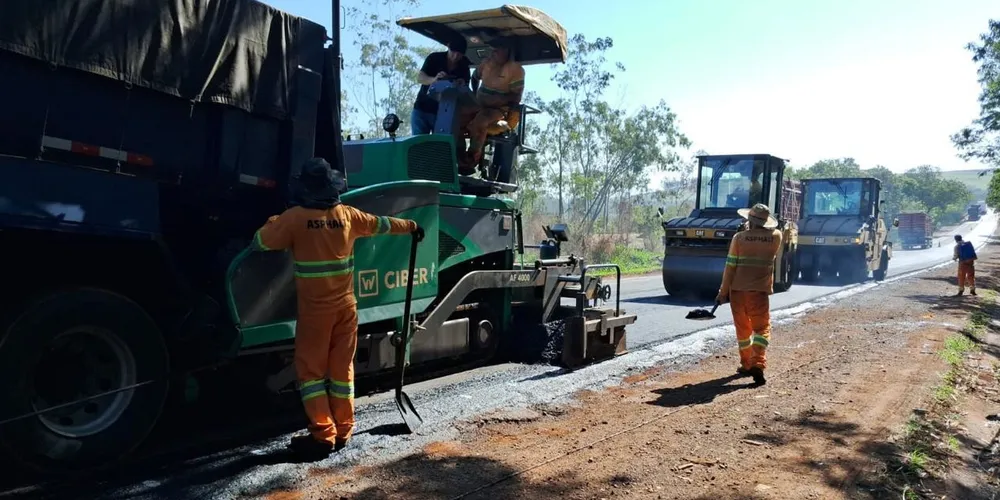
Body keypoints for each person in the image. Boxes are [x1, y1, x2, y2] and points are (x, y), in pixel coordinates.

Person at [251, 158, 424, 457]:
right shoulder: (348, 216)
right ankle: (344, 429)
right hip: (347, 308)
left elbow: (260, 243)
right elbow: (383, 224)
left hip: (316, 313)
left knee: (311, 372)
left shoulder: (294, 219)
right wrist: (412, 226)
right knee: (342, 370)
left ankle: (323, 435)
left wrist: (272, 221)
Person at [716, 203, 783, 387]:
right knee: (762, 329)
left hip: (737, 292)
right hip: (759, 293)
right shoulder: (776, 236)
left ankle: (746, 364)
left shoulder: (739, 238)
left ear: (748, 220)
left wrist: (722, 293)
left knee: (743, 331)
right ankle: (758, 362)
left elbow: (730, 267)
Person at [456, 37, 525, 174]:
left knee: (481, 119)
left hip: (499, 112)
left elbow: (516, 97)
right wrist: (474, 94)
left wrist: (498, 98)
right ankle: (458, 156)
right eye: (493, 48)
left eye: (497, 49)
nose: (493, 51)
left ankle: (471, 161)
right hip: (479, 107)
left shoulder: (516, 70)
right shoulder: (486, 63)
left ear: (507, 51)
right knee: (456, 117)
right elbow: (475, 77)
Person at [411, 37, 471, 135]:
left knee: (440, 146)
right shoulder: (434, 58)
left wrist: (461, 84)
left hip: (445, 114)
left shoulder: (464, 67)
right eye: (453, 52)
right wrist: (434, 80)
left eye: (459, 54)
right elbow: (420, 78)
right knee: (419, 145)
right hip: (422, 110)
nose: (455, 56)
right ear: (448, 47)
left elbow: (465, 92)